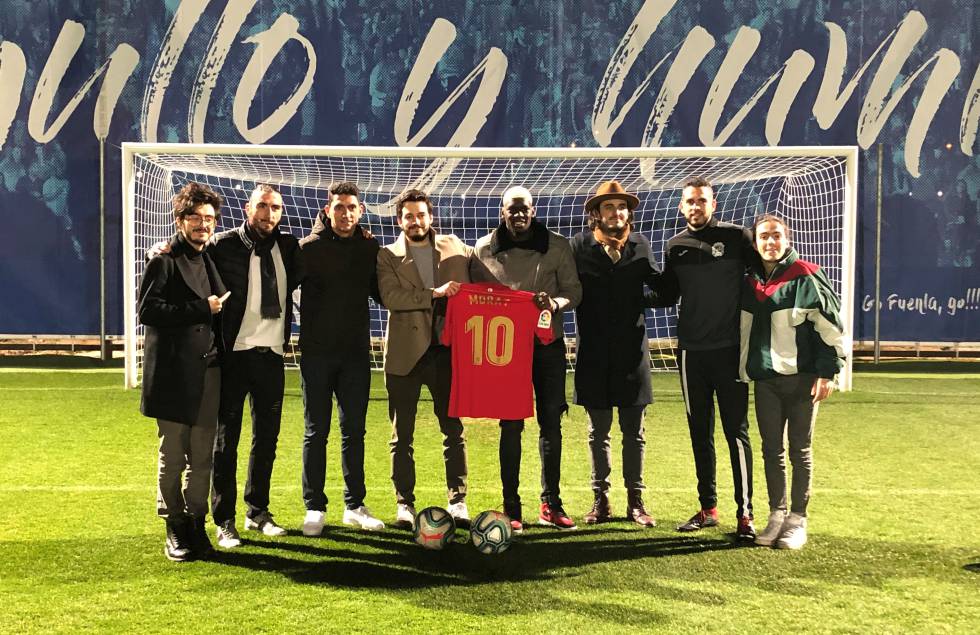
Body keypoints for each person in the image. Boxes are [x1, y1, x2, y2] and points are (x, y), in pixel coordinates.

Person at [472, 186, 582, 531]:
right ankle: (512, 507)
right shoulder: (482, 250)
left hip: (548, 346)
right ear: (501, 210)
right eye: (512, 210)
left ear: (533, 211)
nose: (518, 215)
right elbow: (476, 297)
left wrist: (555, 304)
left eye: (525, 209)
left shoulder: (558, 246)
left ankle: (551, 503)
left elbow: (574, 292)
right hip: (505, 350)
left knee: (551, 423)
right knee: (511, 425)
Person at [657, 176, 757, 541]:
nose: (695, 207)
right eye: (689, 202)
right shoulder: (675, 246)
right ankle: (708, 508)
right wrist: (625, 290)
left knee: (736, 433)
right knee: (700, 433)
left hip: (730, 352)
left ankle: (745, 514)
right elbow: (667, 294)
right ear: (681, 206)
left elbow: (764, 275)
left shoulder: (736, 238)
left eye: (702, 201)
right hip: (690, 355)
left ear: (713, 205)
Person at [740, 214, 846, 550]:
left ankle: (798, 519)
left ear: (787, 239)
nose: (770, 243)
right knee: (772, 450)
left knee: (799, 450)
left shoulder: (808, 275)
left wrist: (828, 372)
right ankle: (777, 514)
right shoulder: (748, 282)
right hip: (766, 380)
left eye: (776, 236)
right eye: (763, 237)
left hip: (802, 380)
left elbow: (830, 327)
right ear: (755, 243)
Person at [208, 184, 302, 548]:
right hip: (234, 355)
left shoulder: (289, 248)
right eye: (262, 206)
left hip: (271, 356)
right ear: (248, 208)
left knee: (266, 440)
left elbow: (318, 260)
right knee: (225, 441)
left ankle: (257, 512)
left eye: (276, 207)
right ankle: (224, 520)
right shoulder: (223, 245)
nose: (269, 214)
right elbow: (193, 259)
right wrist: (162, 249)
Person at [139, 182, 228, 561]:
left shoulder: (209, 257)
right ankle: (173, 524)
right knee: (173, 456)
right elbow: (148, 312)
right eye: (195, 218)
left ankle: (196, 522)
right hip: (174, 377)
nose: (202, 225)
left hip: (208, 373)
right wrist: (199, 309)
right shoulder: (163, 260)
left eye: (209, 219)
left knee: (203, 455)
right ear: (179, 220)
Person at [376, 189, 473, 529]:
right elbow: (391, 297)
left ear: (431, 217)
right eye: (408, 216)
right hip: (405, 356)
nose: (415, 221)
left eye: (421, 215)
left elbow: (486, 267)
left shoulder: (455, 246)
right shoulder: (387, 255)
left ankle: (458, 500)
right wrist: (434, 293)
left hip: (447, 355)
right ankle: (404, 503)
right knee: (402, 435)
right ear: (399, 220)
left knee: (453, 431)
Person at [570, 181, 659, 527]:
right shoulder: (579, 246)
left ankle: (636, 502)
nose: (616, 213)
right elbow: (567, 287)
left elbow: (660, 288)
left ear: (628, 213)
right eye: (608, 207)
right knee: (598, 433)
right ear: (596, 213)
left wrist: (641, 301)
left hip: (631, 355)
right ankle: (601, 500)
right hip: (593, 354)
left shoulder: (640, 244)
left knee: (634, 433)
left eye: (621, 207)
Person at [298, 182, 385, 535]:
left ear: (360, 211)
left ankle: (354, 505)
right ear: (327, 209)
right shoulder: (307, 248)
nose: (345, 214)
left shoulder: (369, 247)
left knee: (354, 432)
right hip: (316, 356)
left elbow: (386, 292)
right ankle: (315, 507)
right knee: (316, 432)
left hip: (355, 357)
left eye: (351, 207)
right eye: (339, 207)